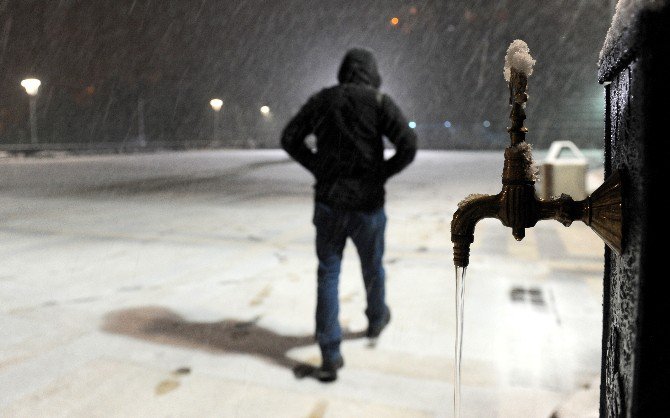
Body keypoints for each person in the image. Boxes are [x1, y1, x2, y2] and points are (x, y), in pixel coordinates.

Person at [281, 48, 417, 382]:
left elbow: (289, 138)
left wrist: (318, 166)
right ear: (371, 73)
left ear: (343, 71)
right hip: (367, 205)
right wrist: (380, 173)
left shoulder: (322, 101)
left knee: (328, 273)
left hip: (329, 202)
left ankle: (330, 352)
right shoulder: (379, 102)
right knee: (373, 266)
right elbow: (409, 145)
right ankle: (375, 319)